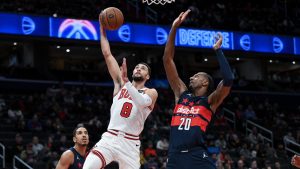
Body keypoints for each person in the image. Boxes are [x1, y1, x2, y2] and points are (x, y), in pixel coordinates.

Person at [82, 16, 158, 169]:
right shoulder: (120, 83)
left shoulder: (151, 92)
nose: (138, 69)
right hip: (110, 138)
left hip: (130, 144)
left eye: (142, 68)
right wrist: (102, 30)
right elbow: (107, 54)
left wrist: (127, 82)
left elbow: (142, 102)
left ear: (147, 76)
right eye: (136, 67)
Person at [163, 10, 234, 169]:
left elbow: (229, 79)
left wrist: (218, 50)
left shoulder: (210, 101)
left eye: (196, 76)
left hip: (196, 155)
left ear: (205, 83)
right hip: (174, 155)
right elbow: (167, 60)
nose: (190, 78)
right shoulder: (181, 94)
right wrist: (174, 28)